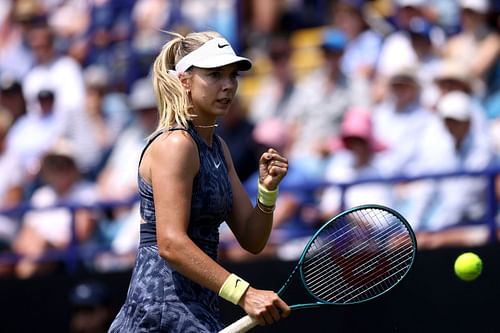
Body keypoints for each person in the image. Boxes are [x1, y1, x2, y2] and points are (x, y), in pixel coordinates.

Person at [109, 31, 290, 332]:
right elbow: (170, 243)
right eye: (215, 75)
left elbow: (252, 238)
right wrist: (244, 294)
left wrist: (267, 192)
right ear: (185, 81)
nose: (228, 85)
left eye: (232, 76)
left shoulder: (219, 148)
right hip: (158, 315)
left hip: (198, 312)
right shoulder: (175, 145)